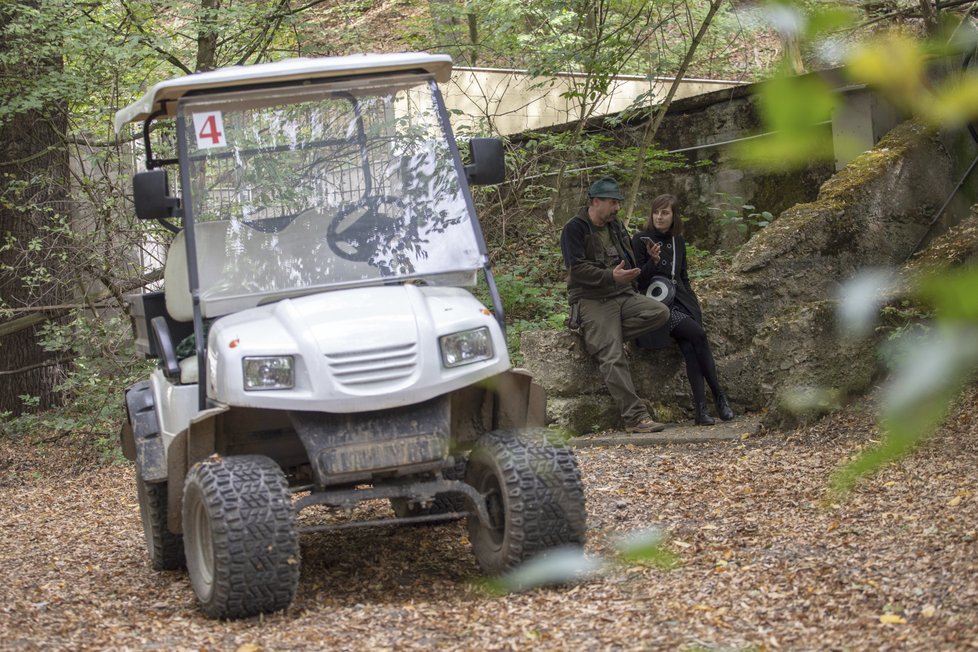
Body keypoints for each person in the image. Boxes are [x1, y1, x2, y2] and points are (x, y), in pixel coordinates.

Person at [560, 177, 671, 434]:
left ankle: (604, 336)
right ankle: (635, 418)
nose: (617, 208)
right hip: (592, 299)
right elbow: (577, 270)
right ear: (596, 202)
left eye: (619, 203)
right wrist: (610, 276)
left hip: (623, 294)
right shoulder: (575, 228)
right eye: (612, 203)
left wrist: (650, 262)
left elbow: (629, 267)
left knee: (659, 312)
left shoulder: (616, 226)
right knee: (612, 356)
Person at [632, 193, 734, 425]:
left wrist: (694, 306)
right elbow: (638, 280)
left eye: (665, 212)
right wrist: (653, 261)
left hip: (682, 301)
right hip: (657, 306)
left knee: (690, 347)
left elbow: (684, 277)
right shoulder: (640, 239)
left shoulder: (678, 241)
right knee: (698, 335)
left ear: (673, 215)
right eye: (656, 212)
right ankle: (719, 396)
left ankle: (701, 411)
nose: (659, 217)